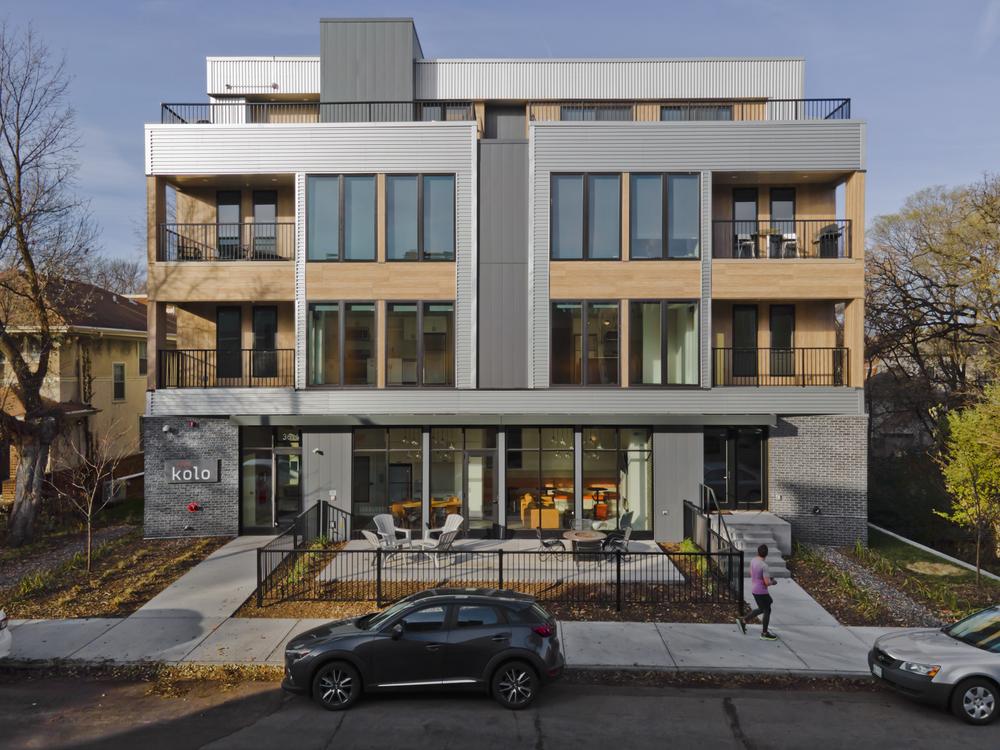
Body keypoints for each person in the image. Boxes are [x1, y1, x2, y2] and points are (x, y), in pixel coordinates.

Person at [737, 543, 778, 640]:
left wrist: (765, 578)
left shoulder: (753, 561)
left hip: (754, 589)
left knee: (762, 608)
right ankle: (764, 633)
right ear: (766, 554)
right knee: (767, 610)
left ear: (758, 552)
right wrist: (773, 582)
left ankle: (744, 620)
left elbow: (752, 573)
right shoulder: (764, 566)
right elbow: (767, 583)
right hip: (761, 591)